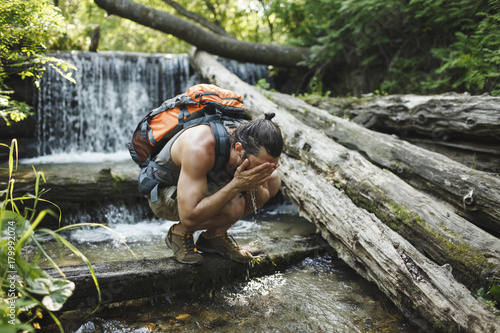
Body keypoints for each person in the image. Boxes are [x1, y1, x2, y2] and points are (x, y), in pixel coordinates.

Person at [148, 112, 283, 265]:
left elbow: (262, 195)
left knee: (273, 180)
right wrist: (236, 185)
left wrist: (260, 176)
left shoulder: (250, 141)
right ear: (239, 148)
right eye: (260, 165)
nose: (265, 170)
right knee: (234, 206)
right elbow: (189, 215)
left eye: (271, 165)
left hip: (206, 184)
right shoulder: (200, 148)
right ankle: (179, 233)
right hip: (164, 193)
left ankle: (214, 237)